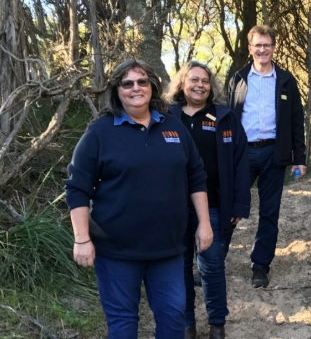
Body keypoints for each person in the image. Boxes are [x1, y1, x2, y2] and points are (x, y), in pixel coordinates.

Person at [65, 59, 213, 338]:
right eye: (128, 83)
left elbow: (196, 176)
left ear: (152, 86)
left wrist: (204, 223)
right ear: (117, 90)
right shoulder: (99, 132)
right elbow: (77, 187)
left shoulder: (174, 128)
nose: (136, 88)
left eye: (142, 81)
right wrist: (81, 238)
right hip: (115, 252)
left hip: (168, 249)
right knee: (123, 324)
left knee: (172, 319)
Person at [164, 61, 250, 339]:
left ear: (211, 86)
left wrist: (238, 204)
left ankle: (217, 324)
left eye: (205, 81)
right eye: (194, 80)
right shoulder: (166, 116)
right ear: (182, 84)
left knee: (212, 265)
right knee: (179, 268)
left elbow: (240, 162)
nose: (199, 85)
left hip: (214, 206)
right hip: (173, 208)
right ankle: (186, 323)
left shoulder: (224, 117)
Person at [225, 25, 307, 288]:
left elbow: (296, 121)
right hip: (242, 153)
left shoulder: (286, 80)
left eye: (267, 45)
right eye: (257, 45)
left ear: (273, 47)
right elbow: (227, 118)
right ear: (250, 49)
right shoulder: (237, 78)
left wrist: (300, 158)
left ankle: (260, 265)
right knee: (229, 206)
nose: (262, 50)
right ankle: (212, 262)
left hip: (274, 153)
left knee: (269, 213)